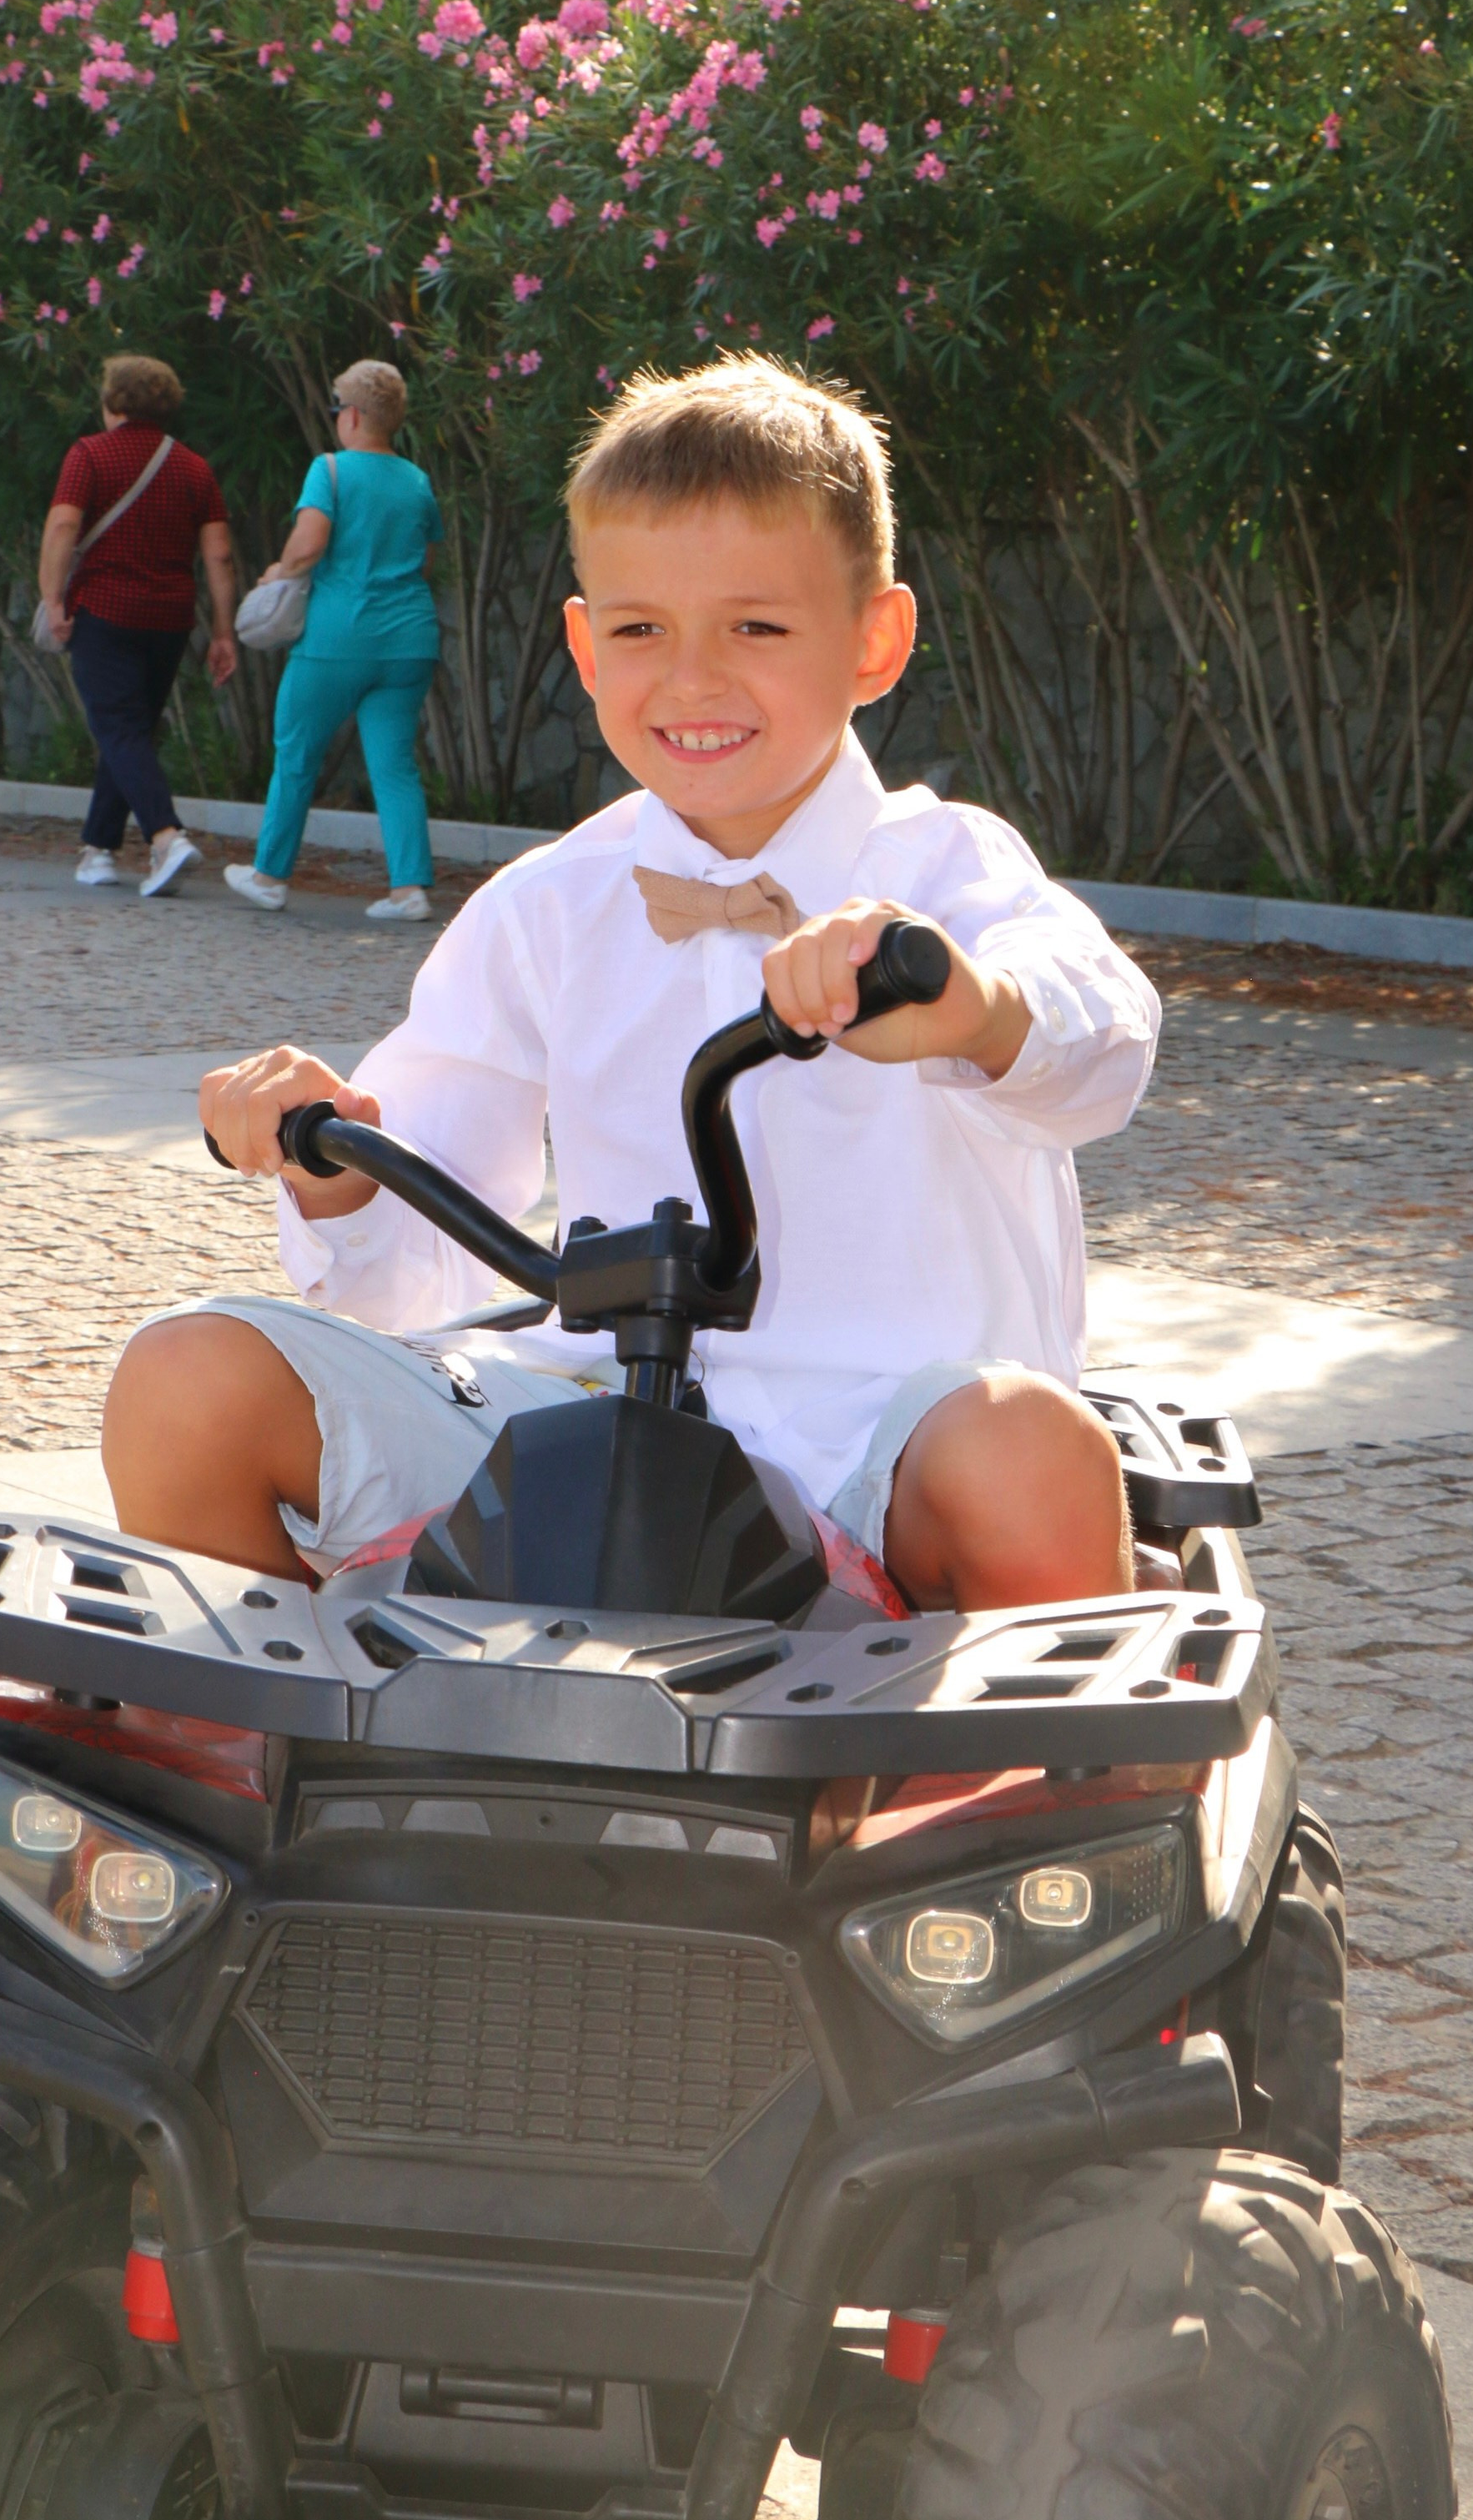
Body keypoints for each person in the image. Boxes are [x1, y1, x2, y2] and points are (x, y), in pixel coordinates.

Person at [105, 355, 1161, 1619]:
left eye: (756, 627)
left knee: (1025, 1447)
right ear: (584, 645)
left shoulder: (944, 868)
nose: (694, 678)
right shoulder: (548, 905)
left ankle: (1041, 1787)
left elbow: (1104, 1041)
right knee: (185, 1377)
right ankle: (294, 1756)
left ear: (875, 642)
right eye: (641, 629)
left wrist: (972, 1007)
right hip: (594, 1417)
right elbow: (410, 1261)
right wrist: (332, 1160)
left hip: (882, 1441)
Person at [225, 359, 444, 925]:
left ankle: (269, 875)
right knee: (394, 764)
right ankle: (409, 888)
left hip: (338, 637)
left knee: (296, 752)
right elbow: (425, 559)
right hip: (409, 640)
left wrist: (277, 572)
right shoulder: (416, 481)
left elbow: (308, 543)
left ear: (350, 415)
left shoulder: (331, 471)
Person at [40, 353, 239, 898]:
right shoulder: (194, 467)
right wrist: (223, 630)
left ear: (113, 402)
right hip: (170, 619)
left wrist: (52, 597)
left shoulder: (89, 455)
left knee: (120, 728)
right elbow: (218, 555)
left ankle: (166, 838)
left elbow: (63, 523)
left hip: (104, 611)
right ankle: (99, 850)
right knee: (130, 730)